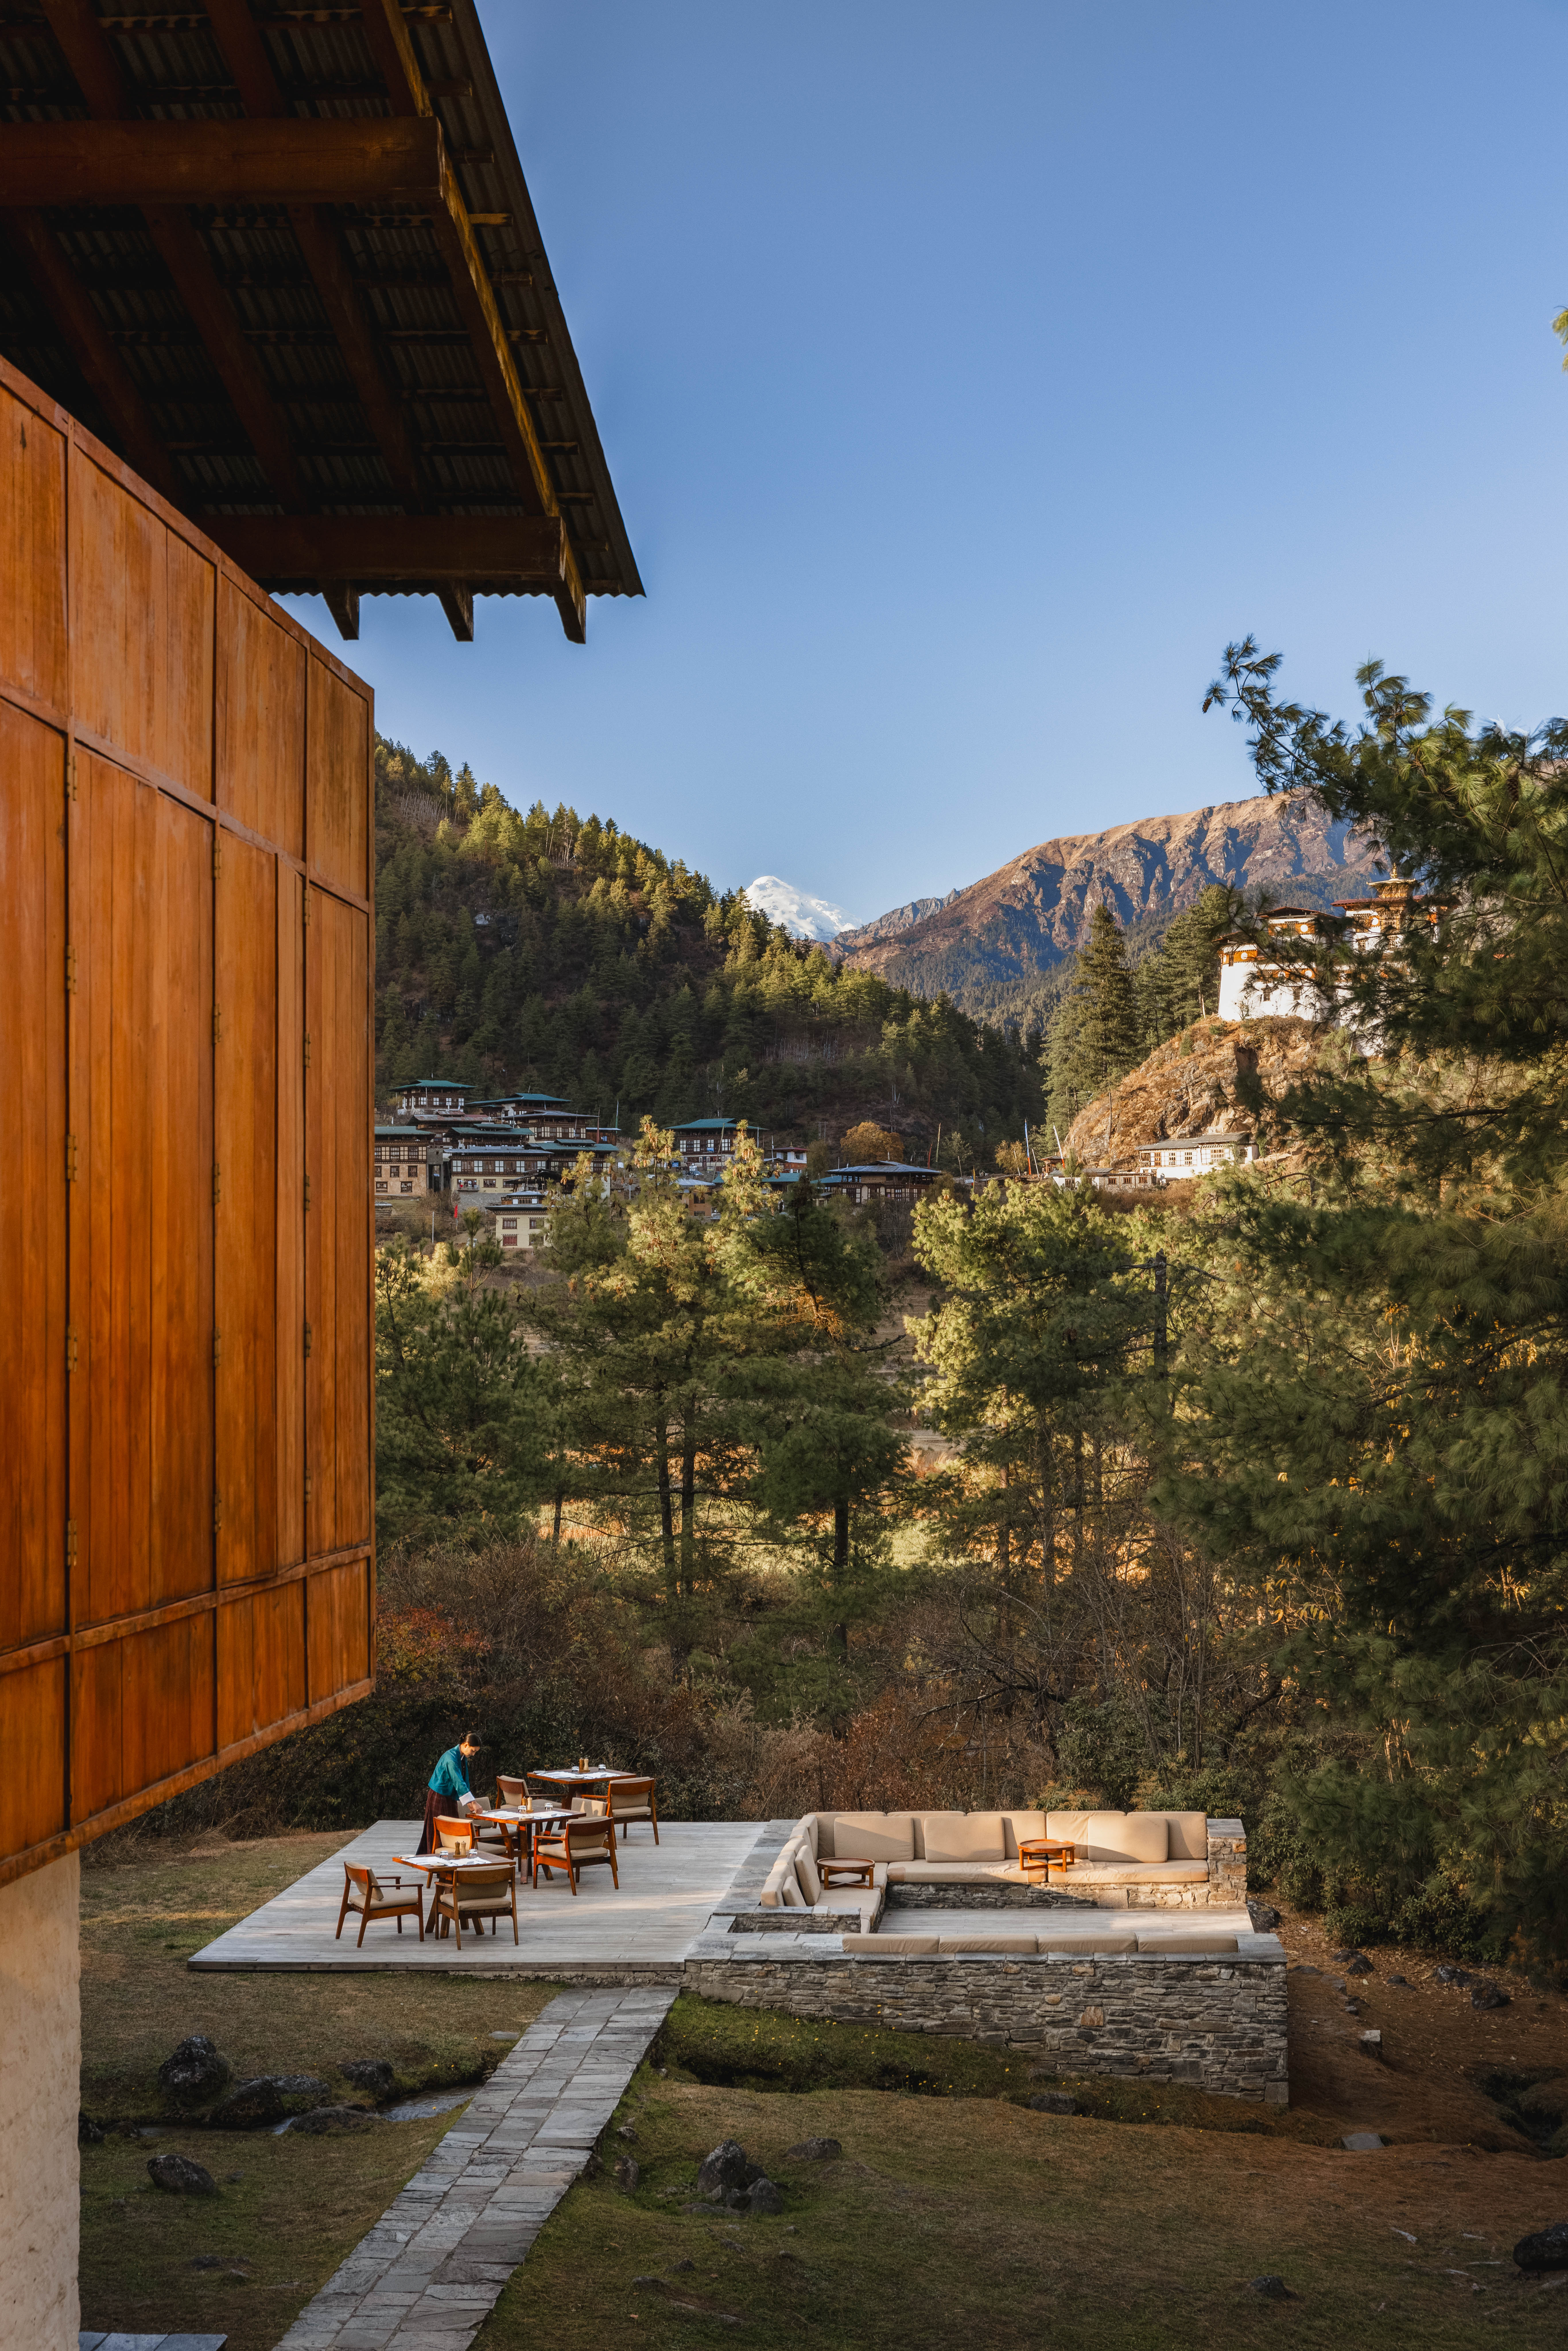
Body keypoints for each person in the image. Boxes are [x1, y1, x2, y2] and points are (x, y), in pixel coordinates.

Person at [417, 1731, 482, 1855]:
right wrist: (473, 1802)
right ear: (466, 1745)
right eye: (473, 1751)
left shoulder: (461, 1756)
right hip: (439, 1796)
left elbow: (465, 1780)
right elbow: (458, 1781)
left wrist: (470, 1803)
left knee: (453, 1827)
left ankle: (452, 1857)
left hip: (450, 1797)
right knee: (438, 1830)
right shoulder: (451, 1758)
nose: (473, 1754)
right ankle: (434, 1858)